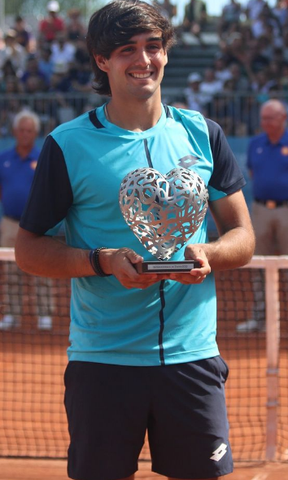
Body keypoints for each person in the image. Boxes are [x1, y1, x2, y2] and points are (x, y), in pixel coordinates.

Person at [15, 2, 255, 480]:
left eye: (153, 46)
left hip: (192, 359)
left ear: (166, 53)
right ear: (102, 61)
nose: (143, 59)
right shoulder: (68, 143)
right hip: (103, 362)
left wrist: (207, 252)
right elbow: (29, 249)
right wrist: (101, 261)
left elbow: (242, 236)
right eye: (127, 50)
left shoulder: (204, 134)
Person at [237, 99, 288, 332]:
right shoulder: (256, 143)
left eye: (270, 118)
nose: (265, 123)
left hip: (286, 210)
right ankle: (260, 318)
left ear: (283, 119)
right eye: (263, 118)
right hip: (259, 210)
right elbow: (252, 172)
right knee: (259, 264)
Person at [0, 110, 53, 330]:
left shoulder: (42, 158)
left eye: (29, 130)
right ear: (14, 132)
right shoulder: (3, 159)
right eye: (21, 130)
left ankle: (45, 314)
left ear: (35, 134)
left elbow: (49, 192)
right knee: (11, 271)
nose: (24, 134)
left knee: (43, 269)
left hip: (38, 225)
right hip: (10, 223)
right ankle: (11, 313)